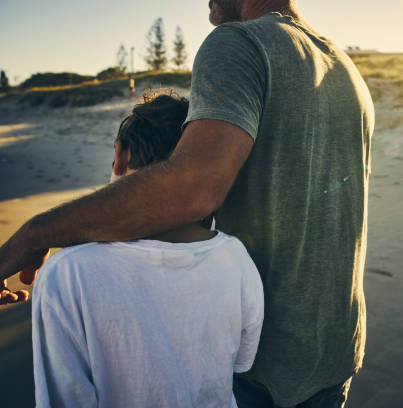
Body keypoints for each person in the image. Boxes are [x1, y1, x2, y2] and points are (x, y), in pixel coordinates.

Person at [0, 1, 374, 406]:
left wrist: (34, 235)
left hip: (260, 376)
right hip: (334, 355)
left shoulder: (240, 42)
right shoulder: (345, 68)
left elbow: (192, 189)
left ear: (120, 155)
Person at [31, 93, 265, 407]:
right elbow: (240, 363)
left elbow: (63, 398)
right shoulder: (235, 258)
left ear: (120, 156)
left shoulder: (67, 273)